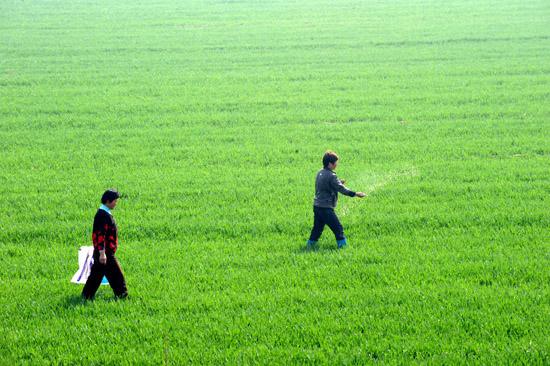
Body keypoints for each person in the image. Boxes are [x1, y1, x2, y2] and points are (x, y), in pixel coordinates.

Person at [307, 151, 366, 249]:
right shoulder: (331, 176)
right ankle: (343, 248)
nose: (336, 165)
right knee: (338, 228)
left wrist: (338, 182)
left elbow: (325, 186)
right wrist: (355, 194)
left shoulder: (320, 172)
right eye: (335, 163)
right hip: (325, 208)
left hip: (317, 206)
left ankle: (309, 246)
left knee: (317, 229)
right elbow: (342, 189)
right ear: (330, 164)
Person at [82, 189, 128, 300]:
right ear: (108, 201)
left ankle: (86, 296)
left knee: (96, 276)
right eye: (114, 201)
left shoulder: (105, 213)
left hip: (103, 252)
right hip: (105, 252)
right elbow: (99, 235)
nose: (116, 203)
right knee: (117, 275)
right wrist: (102, 254)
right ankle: (122, 295)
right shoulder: (102, 215)